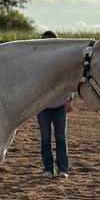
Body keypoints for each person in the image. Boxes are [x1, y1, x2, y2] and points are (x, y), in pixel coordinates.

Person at [37, 30, 74, 179]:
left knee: (61, 138)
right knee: (45, 139)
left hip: (60, 106)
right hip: (43, 107)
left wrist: (69, 100)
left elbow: (70, 81)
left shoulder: (62, 61)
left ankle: (63, 169)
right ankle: (48, 168)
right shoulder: (39, 61)